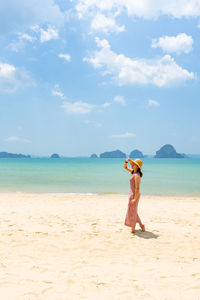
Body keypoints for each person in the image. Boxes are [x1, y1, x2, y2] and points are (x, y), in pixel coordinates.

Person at [123, 158, 145, 234]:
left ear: (138, 166)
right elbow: (125, 167)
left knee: (132, 211)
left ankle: (133, 229)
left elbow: (137, 188)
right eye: (132, 164)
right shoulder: (133, 172)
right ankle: (141, 225)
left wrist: (135, 199)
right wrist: (127, 161)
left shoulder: (137, 176)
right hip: (131, 194)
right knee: (133, 211)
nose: (132, 165)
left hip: (134, 195)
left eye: (134, 164)